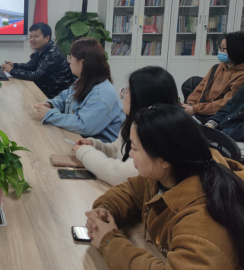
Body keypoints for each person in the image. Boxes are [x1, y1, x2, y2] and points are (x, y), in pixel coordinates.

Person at [85, 104, 243, 270]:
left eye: (135, 148)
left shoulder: (204, 221)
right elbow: (131, 192)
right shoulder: (164, 174)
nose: (130, 154)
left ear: (165, 159)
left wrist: (109, 242)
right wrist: (106, 210)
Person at [71, 66, 180, 186]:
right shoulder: (133, 122)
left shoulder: (159, 134)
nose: (122, 95)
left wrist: (85, 152)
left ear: (141, 98)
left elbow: (118, 174)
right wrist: (96, 146)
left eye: (127, 92)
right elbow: (119, 150)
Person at [34, 37, 124, 143]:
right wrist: (51, 104)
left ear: (82, 63)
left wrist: (50, 115)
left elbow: (84, 125)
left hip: (98, 148)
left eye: (71, 58)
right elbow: (65, 96)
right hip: (78, 139)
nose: (69, 61)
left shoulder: (102, 94)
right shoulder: (84, 80)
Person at [1, 23, 75, 99]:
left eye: (36, 36)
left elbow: (37, 76)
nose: (32, 40)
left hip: (55, 94)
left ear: (47, 38)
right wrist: (14, 65)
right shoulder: (41, 49)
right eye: (30, 36)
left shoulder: (52, 53)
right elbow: (30, 66)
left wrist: (12, 71)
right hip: (44, 88)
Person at [183, 31, 244, 122]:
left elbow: (226, 103)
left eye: (224, 49)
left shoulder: (241, 75)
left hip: (217, 117)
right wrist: (190, 104)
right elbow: (201, 87)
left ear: (237, 51)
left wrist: (195, 109)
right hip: (201, 110)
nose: (220, 51)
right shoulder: (217, 67)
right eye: (220, 47)